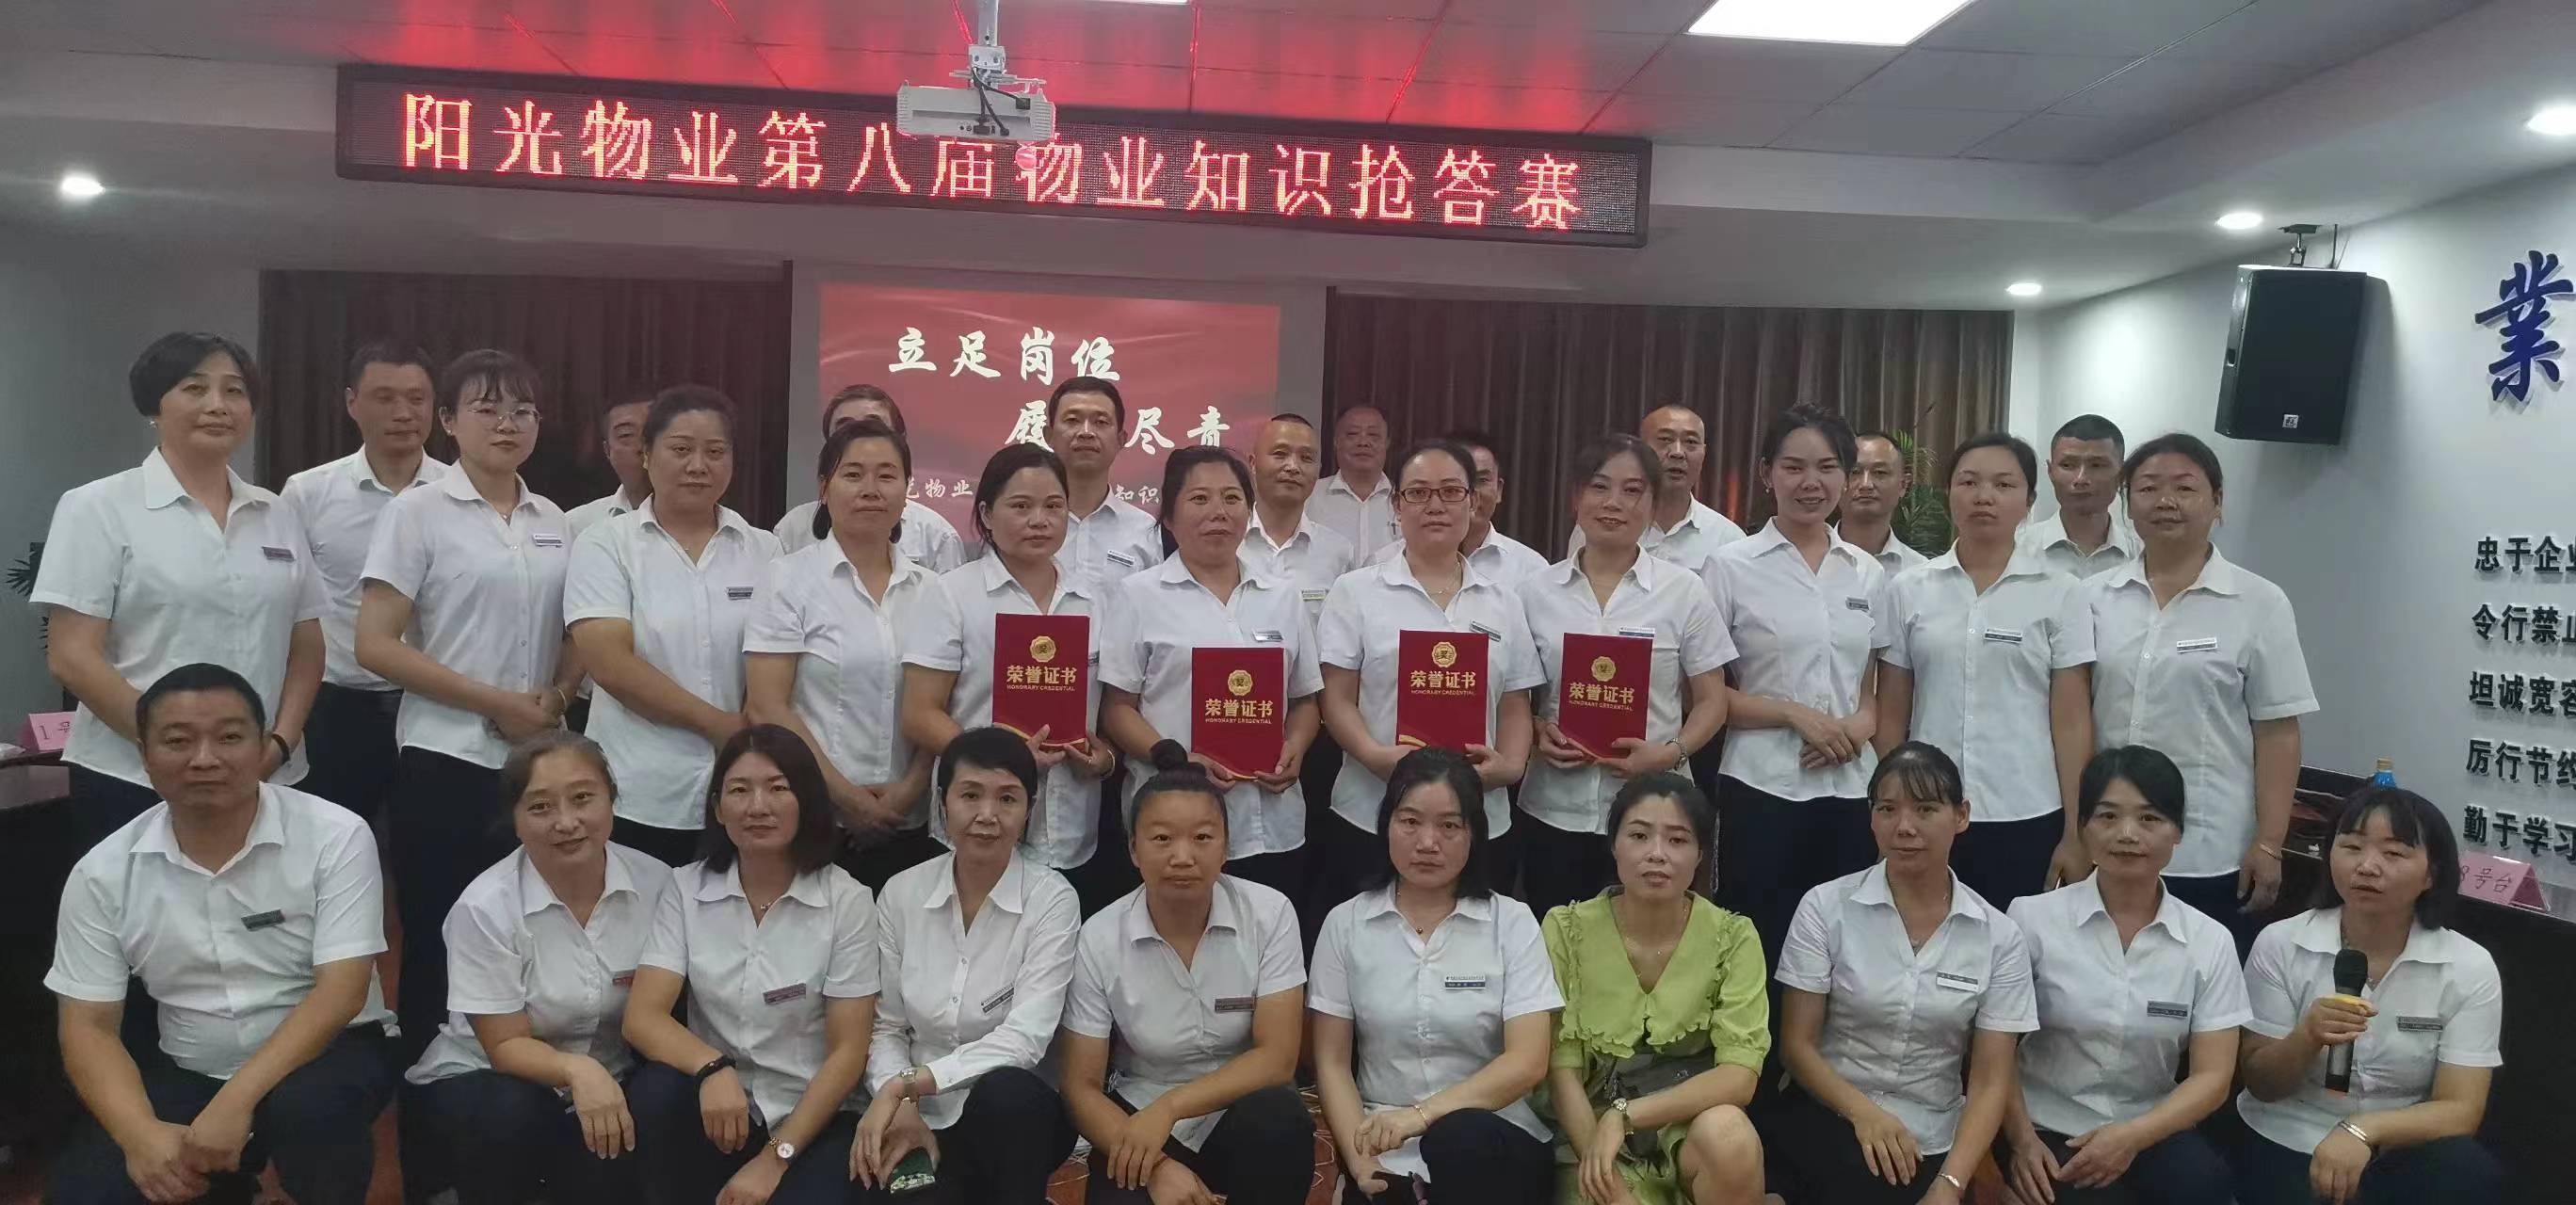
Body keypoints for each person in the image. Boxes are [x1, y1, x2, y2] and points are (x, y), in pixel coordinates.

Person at [46, 664, 396, 1205]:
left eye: (229, 738)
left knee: (312, 1109)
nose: (204, 758)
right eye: (178, 741)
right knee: (86, 1191)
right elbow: (89, 1026)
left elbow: (342, 993)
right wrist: (140, 1136)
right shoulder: (102, 872)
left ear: (263, 746)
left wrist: (236, 1102)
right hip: (193, 1064)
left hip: (329, 1052)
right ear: (144, 754)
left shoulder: (336, 835)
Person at [357, 347, 582, 1063]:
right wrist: (494, 702)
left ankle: (523, 1088)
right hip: (445, 755)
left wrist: (558, 694)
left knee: (530, 933)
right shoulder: (416, 512)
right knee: (441, 934)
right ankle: (432, 1096)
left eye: (522, 410)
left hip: (537, 763)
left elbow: (579, 631)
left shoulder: (555, 520)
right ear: (449, 421)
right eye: (486, 409)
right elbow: (374, 643)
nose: (507, 424)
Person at [35, 331, 326, 849]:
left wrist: (278, 744)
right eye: (195, 388)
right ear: (155, 405)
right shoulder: (98, 507)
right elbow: (72, 656)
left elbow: (306, 645)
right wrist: (176, 747)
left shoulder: (276, 513)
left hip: (267, 775)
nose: (218, 405)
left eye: (234, 391)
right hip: (132, 777)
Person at [402, 731, 677, 1205]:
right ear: (514, 820)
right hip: (489, 1078)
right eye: (540, 807)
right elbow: (504, 1046)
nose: (566, 822)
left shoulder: (658, 883)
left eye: (583, 798)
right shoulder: (484, 907)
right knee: (511, 1112)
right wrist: (578, 1070)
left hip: (609, 1077)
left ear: (612, 799)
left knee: (669, 1092)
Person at [622, 725, 883, 1205]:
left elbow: (849, 1052)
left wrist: (774, 1159)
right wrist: (712, 1068)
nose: (757, 806)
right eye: (739, 790)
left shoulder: (847, 900)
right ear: (718, 807)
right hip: (719, 1107)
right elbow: (643, 1017)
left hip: (812, 1117)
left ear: (807, 802)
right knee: (655, 1090)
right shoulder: (686, 888)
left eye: (778, 789)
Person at [1773, 742, 2036, 1205]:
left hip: (1936, 1137)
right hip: (1833, 1114)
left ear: (1961, 815)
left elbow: (1991, 1081)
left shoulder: (1999, 936)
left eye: (1926, 809)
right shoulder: (1826, 907)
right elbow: (1796, 1047)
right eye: (1888, 809)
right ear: (1871, 817)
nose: (1905, 827)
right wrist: (1865, 1114)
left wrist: (1951, 1184)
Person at [2085, 432, 2314, 953]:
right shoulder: (2092, 598)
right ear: (2127, 504)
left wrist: (2270, 842)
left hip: (2210, 847)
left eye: (2184, 488)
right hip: (2107, 839)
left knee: (2204, 982)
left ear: (2218, 501)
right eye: (2148, 488)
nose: (2165, 501)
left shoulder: (2258, 602)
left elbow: (2278, 731)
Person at [1059, 744, 1311, 1205]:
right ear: (1133, 850)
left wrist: (1171, 1108)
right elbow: (1081, 1086)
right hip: (1139, 1111)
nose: (1182, 856)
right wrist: (1157, 1167)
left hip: (1241, 1104)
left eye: (1202, 837)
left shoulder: (1270, 913)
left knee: (1280, 1119)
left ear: (1226, 847)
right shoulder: (1099, 936)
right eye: (1161, 839)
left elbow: (1277, 1058)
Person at [1998, 746, 2248, 1205]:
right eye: (2108, 817)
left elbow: (2213, 1076)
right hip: (2045, 1126)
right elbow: (1994, 1050)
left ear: (2178, 832)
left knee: (2208, 1186)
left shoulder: (2209, 941)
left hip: (2151, 1127)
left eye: (2150, 819)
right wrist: (2021, 1142)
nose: (2127, 835)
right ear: (2083, 827)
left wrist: (2132, 1137)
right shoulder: (2031, 919)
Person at [1312, 747, 1562, 1205]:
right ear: (1386, 824)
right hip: (1383, 1143)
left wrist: (1421, 1116)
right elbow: (1331, 1062)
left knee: (1461, 1138)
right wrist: (1360, 1159)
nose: (1428, 842)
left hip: (1495, 1140)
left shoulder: (1512, 922)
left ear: (1474, 834)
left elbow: (1528, 1062)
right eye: (1410, 821)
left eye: (1449, 826)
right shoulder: (1344, 924)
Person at [2234, 787, 2504, 1205]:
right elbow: (2261, 1083)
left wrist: (2363, 1130)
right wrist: (2307, 1037)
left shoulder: (2469, 966)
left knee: (2470, 1172)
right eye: (2351, 847)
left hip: (2399, 1141)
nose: (2367, 866)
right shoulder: (2282, 942)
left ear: (2431, 875)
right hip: (2290, 1130)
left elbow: (2461, 1108)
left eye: (2393, 853)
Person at [852, 728, 1082, 1204]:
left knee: (1008, 1095)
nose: (987, 815)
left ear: (1029, 809)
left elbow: (1025, 1039)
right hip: (914, 1112)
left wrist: (909, 1084)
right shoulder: (901, 893)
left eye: (1007, 799)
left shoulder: (1052, 900)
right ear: (943, 803)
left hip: (1013, 1121)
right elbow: (887, 1028)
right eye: (970, 795)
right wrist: (901, 1102)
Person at [1317, 439, 1540, 908]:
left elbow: (1515, 702)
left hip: (1478, 812)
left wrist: (1510, 766)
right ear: (1397, 506)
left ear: (1472, 502)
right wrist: (1375, 756)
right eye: (1418, 493)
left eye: (1451, 492)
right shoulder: (1355, 591)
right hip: (1371, 809)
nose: (1435, 506)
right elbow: (1336, 697)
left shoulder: (1503, 601)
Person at [900, 442, 1122, 912]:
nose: (1039, 520)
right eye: (1021, 506)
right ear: (986, 513)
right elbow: (920, 714)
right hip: (977, 825)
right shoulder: (952, 594)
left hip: (1072, 829)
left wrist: (1103, 759)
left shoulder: (1096, 599)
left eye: (1054, 506)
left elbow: (1110, 712)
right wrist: (1002, 761)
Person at [1875, 433, 2094, 908]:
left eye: (2004, 484)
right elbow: (1892, 714)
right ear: (1948, 492)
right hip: (1926, 812)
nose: (1984, 496)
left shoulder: (2062, 592)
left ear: (2029, 501)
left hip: (2027, 809)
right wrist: (1887, 809)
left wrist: (2076, 833)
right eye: (1969, 482)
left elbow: (2072, 721)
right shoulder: (1910, 588)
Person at [569, 386, 781, 868]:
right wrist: (721, 727)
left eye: (715, 452)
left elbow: (778, 663)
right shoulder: (605, 544)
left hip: (740, 794)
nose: (698, 465)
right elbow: (610, 664)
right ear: (646, 455)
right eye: (681, 449)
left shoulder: (764, 549)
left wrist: (749, 738)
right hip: (638, 788)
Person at [1705, 406, 1890, 961]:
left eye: (1828, 467)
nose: (1811, 482)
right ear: (1767, 473)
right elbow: (1705, 693)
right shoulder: (1730, 566)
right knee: (1759, 936)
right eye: (1794, 467)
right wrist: (1793, 715)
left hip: (1849, 785)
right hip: (1761, 784)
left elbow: (1869, 690)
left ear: (1846, 477)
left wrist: (1855, 729)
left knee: (1845, 942)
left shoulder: (1866, 572)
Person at [1521, 436, 1733, 914]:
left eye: (1633, 490)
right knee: (1556, 936)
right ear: (1576, 497)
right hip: (1555, 806)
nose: (1614, 503)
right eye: (1599, 487)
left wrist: (1669, 753)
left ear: (1653, 504)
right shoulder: (1533, 592)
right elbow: (1513, 698)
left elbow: (1712, 700)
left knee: (1650, 938)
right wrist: (1536, 731)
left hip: (1654, 812)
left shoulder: (1684, 591)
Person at [1102, 445, 1324, 897]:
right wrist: (1175, 759)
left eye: (1232, 498)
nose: (1218, 512)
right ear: (1169, 516)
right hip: (1174, 824)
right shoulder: (1137, 595)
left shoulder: (1283, 596)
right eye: (1199, 499)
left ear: (1249, 510)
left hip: (1270, 820)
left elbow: (1303, 699)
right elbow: (1117, 708)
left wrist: (1297, 747)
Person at [1541, 774, 1771, 1205]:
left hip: (1687, 1130)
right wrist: (1611, 1183)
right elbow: (1561, 1069)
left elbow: (1739, 1077)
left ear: (1701, 853)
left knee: (1730, 1132)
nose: (1657, 854)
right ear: (1614, 844)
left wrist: (1626, 1115)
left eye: (1678, 840)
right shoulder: (1566, 928)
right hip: (1590, 1139)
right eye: (1639, 835)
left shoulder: (1734, 936)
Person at [749, 417, 944, 890]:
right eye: (853, 474)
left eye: (887, 475)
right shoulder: (787, 580)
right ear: (824, 487)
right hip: (813, 815)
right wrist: (848, 799)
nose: (870, 490)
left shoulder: (933, 590)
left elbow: (942, 706)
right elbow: (767, 706)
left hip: (910, 820)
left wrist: (907, 793)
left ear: (907, 490)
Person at [280, 339, 449, 823]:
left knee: (427, 843)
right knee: (332, 839)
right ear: (352, 402)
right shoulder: (308, 493)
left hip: (438, 705)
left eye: (416, 398)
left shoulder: (460, 494)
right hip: (336, 705)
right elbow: (285, 606)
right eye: (384, 397)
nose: (403, 413)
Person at [772, 383, 969, 570]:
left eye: (873, 427)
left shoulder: (936, 536)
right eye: (845, 430)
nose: (861, 440)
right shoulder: (793, 529)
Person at [1567, 405, 1748, 576]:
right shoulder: (1601, 525)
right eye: (1665, 440)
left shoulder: (1728, 538)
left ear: (1704, 453)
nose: (1677, 453)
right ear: (1641, 450)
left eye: (1690, 442)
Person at [1369, 427, 1548, 585]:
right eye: (1451, 487)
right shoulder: (1379, 565)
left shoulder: (1531, 569)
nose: (1469, 492)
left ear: (1499, 490)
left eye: (1481, 480)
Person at [1242, 412, 1359, 629]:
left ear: (1318, 470)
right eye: (1280, 454)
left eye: (1306, 458)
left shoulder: (1338, 552)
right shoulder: (1227, 543)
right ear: (1253, 463)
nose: (1293, 467)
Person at [1049, 375, 1163, 587]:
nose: (1086, 432)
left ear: (1121, 440)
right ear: (1049, 436)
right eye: (1072, 420)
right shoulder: (1026, 525)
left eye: (1101, 422)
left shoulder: (1145, 530)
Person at [2018, 415, 2137, 581]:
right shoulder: (2016, 550)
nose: (2081, 479)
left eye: (2096, 465)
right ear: (2050, 472)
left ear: (2122, 474)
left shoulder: (2143, 556)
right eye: (2067, 465)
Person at [563, 388, 654, 539]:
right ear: (607, 451)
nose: (642, 446)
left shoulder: (696, 521)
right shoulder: (577, 525)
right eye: (626, 435)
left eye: (652, 433)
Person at [1310, 405, 1397, 560]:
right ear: (1336, 441)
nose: (1363, 442)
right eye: (1352, 434)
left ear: (1387, 443)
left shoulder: (1405, 500)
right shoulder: (1309, 496)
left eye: (1373, 435)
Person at [1840, 431, 1929, 576]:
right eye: (1854, 472)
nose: (1866, 484)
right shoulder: (1808, 562)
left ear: (1903, 485)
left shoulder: (1921, 573)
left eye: (1879, 473)